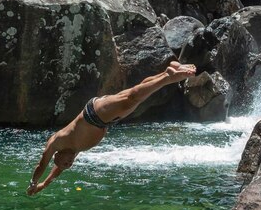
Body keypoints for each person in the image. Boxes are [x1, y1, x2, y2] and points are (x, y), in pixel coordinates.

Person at [26, 61, 196, 196]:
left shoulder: (56, 142)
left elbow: (42, 164)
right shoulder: (71, 151)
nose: (69, 163)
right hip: (104, 120)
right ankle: (168, 71)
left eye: (65, 162)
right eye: (69, 164)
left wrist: (33, 182)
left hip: (94, 114)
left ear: (57, 156)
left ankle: (168, 78)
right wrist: (43, 185)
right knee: (134, 96)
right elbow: (58, 170)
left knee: (132, 98)